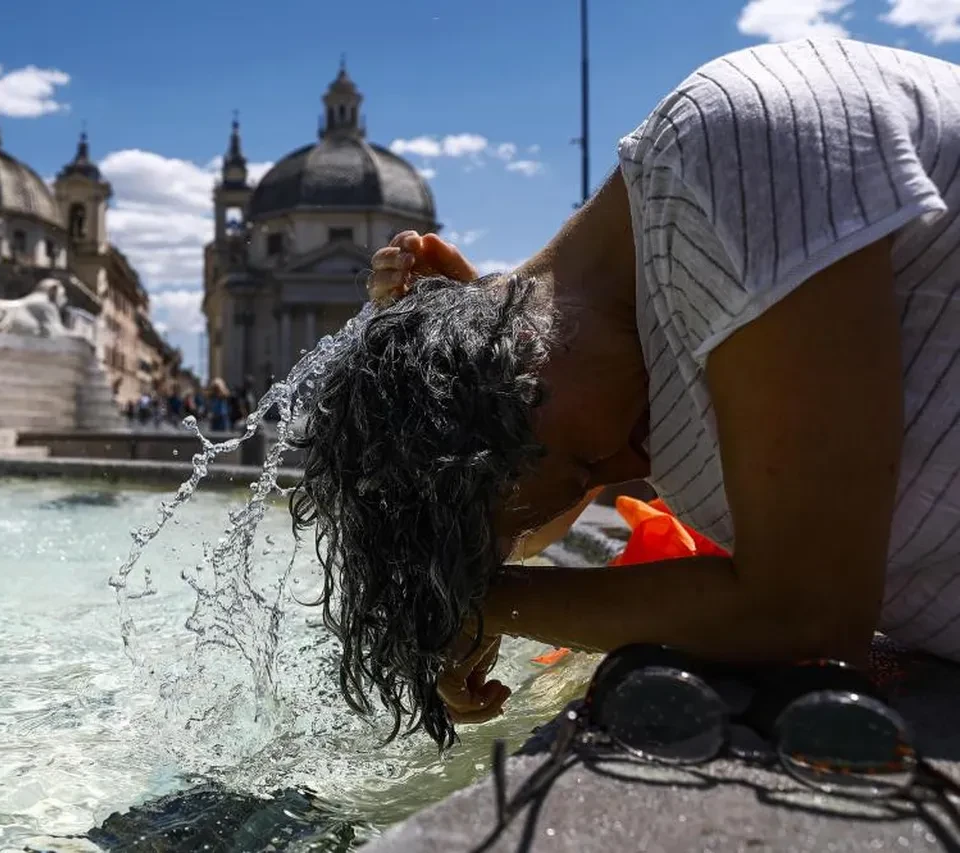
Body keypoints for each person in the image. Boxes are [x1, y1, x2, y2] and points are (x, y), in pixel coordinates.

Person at [289, 36, 960, 749]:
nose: (621, 469)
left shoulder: (732, 148)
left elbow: (809, 615)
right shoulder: (652, 349)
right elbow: (532, 504)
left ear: (512, 348)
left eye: (583, 463)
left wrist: (489, 607)